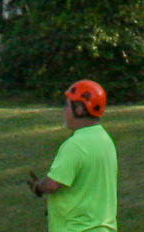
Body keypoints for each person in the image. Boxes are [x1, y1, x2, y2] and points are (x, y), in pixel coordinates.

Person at [29, 80, 116, 232]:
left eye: (67, 106)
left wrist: (38, 187)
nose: (64, 111)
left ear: (79, 110)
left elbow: (52, 184)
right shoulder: (105, 139)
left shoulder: (75, 145)